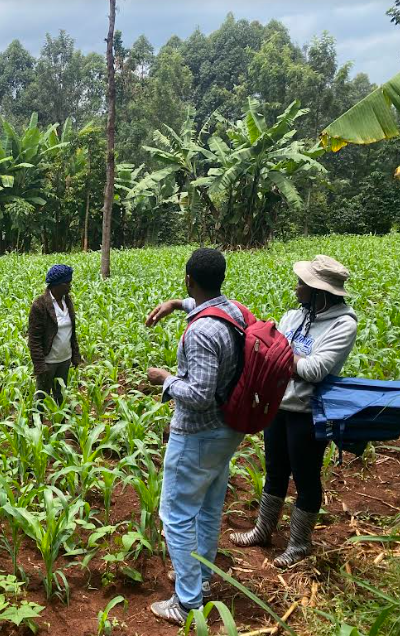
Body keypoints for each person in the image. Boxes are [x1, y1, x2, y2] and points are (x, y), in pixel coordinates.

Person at [230, 255, 357, 567]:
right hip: (280, 404)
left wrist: (279, 358)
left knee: (305, 477)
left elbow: (315, 370)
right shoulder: (295, 316)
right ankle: (263, 530)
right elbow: (275, 351)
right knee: (274, 470)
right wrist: (282, 359)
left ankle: (299, 545)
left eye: (303, 284)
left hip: (309, 412)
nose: (297, 288)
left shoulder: (343, 325)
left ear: (320, 292)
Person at [144, 248, 246, 626]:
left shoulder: (202, 332)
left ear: (189, 278)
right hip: (228, 430)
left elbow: (200, 395)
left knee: (175, 515)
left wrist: (165, 379)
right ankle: (201, 575)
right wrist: (175, 303)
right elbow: (200, 302)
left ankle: (186, 602)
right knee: (208, 506)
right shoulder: (231, 310)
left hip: (200, 433)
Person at [27, 264, 81, 407]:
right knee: (41, 397)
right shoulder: (40, 305)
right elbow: (34, 339)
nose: (70, 286)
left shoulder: (67, 301)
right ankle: (37, 425)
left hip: (65, 359)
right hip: (48, 362)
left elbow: (71, 332)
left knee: (60, 394)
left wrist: (75, 355)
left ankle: (60, 422)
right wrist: (40, 365)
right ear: (57, 285)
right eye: (67, 283)